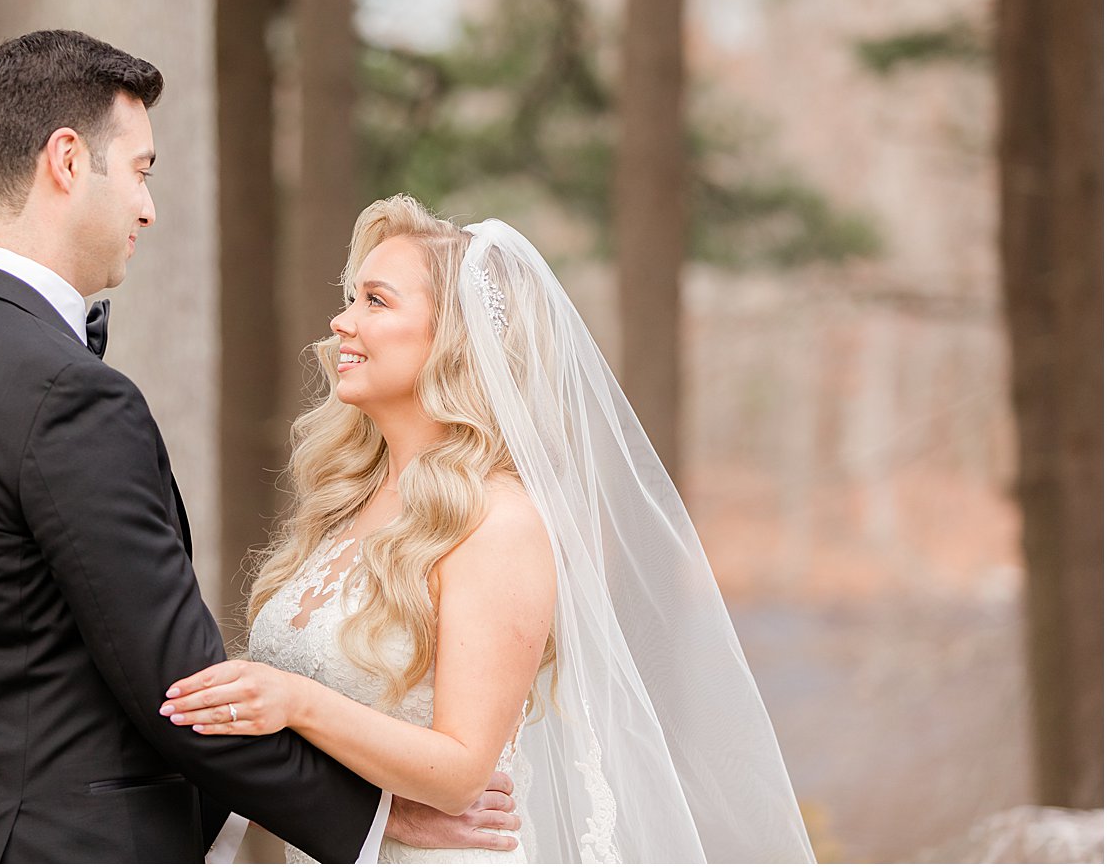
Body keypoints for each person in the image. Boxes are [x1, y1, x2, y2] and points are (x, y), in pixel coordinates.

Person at [0, 32, 519, 863]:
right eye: (140, 170)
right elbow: (178, 687)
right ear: (66, 160)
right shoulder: (67, 395)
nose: (148, 207)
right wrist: (376, 819)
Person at [160, 195, 818, 863]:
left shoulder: (498, 522)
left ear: (453, 335)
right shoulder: (351, 495)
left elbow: (461, 767)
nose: (341, 321)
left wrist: (294, 699)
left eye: (376, 301)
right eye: (351, 298)